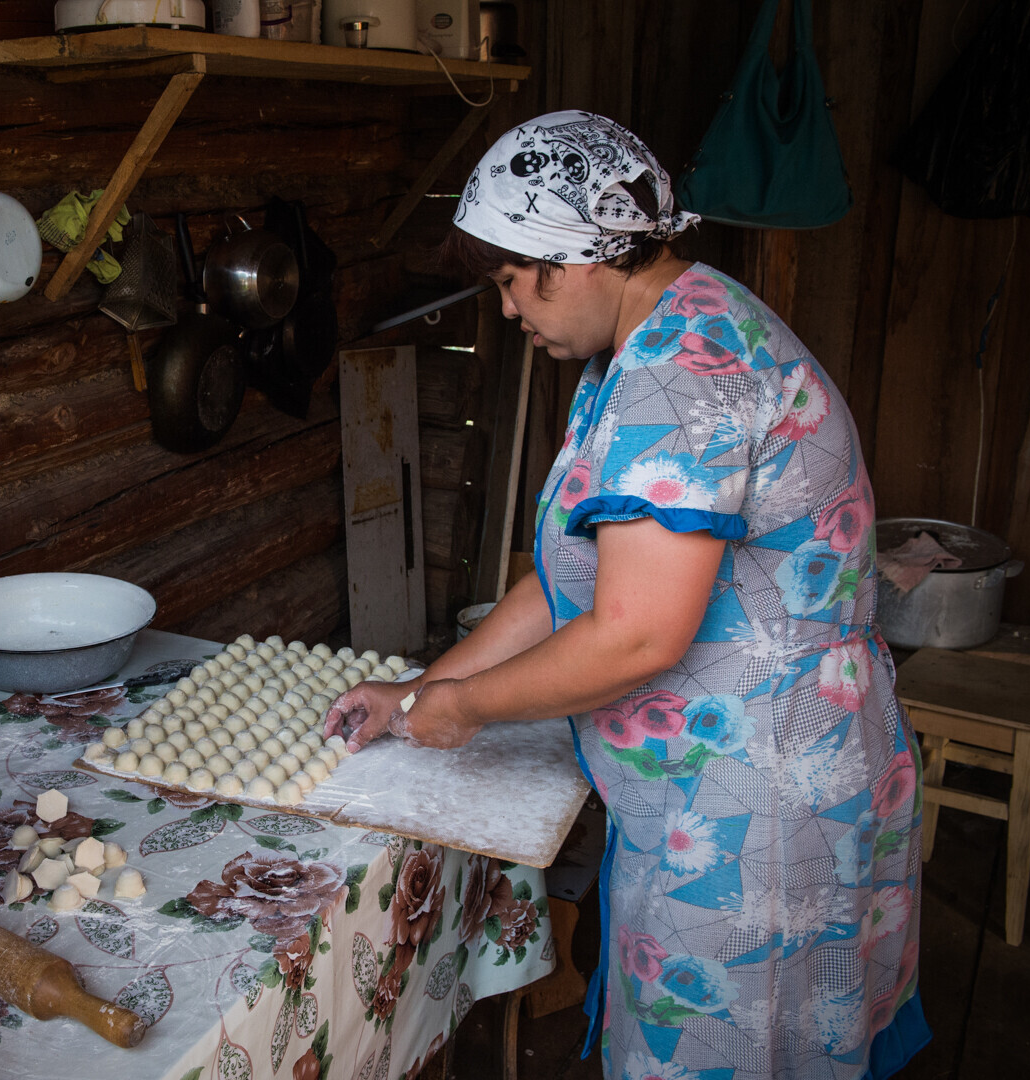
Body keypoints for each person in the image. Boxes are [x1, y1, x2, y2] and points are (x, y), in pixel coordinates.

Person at [325, 111, 929, 1080]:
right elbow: (567, 581)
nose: (511, 313)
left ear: (575, 258)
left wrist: (465, 709)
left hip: (760, 808)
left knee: (732, 1053)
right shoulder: (637, 355)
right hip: (725, 784)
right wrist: (415, 696)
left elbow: (636, 634)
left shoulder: (683, 377)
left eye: (515, 284)